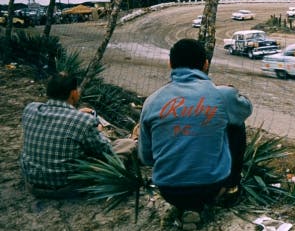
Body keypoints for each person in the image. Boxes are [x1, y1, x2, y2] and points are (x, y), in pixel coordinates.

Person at [137, 39, 252, 226]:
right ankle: (230, 187)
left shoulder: (152, 101)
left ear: (170, 64)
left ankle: (187, 207)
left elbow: (146, 156)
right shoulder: (222, 95)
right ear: (206, 64)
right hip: (212, 186)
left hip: (168, 189)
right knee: (235, 124)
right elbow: (245, 109)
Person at [20, 72, 134, 198]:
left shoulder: (30, 109)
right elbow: (105, 151)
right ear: (73, 93)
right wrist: (98, 130)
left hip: (32, 184)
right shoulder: (84, 121)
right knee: (127, 144)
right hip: (67, 187)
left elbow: (57, 121)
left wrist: (75, 115)